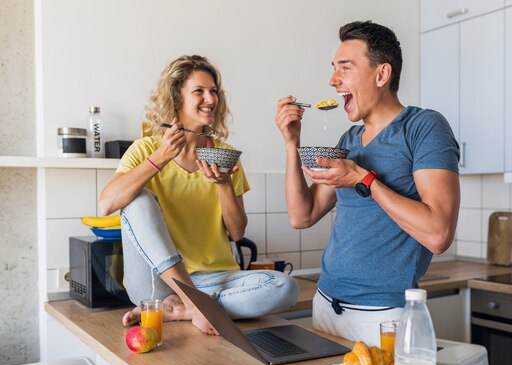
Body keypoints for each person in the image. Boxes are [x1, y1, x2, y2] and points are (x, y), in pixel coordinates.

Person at [275, 21, 460, 346]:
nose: (333, 80)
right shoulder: (350, 139)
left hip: (384, 317)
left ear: (381, 74)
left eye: (345, 69)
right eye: (334, 69)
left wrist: (363, 178)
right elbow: (301, 216)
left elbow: (438, 234)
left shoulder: (424, 127)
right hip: (327, 306)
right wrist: (292, 143)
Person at [99, 55, 298, 334]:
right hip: (158, 282)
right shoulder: (145, 150)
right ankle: (192, 301)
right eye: (199, 91)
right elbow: (106, 203)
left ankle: (182, 309)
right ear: (176, 97)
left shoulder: (225, 155)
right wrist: (161, 157)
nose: (211, 98)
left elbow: (238, 232)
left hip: (214, 279)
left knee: (284, 287)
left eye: (214, 91)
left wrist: (224, 185)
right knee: (138, 198)